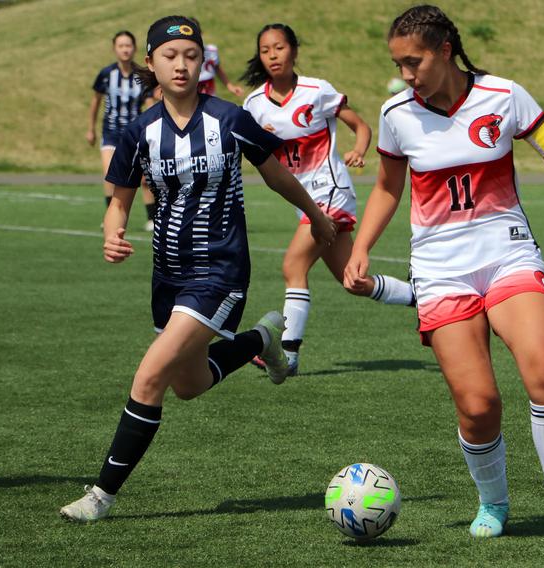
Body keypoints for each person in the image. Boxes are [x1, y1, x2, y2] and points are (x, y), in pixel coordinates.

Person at [59, 16, 336, 523]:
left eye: (191, 55)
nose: (181, 64)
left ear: (202, 61)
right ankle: (261, 341)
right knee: (188, 384)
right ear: (151, 64)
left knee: (149, 378)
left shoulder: (229, 120)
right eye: (170, 56)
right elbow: (118, 200)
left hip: (220, 272)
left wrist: (317, 217)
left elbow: (278, 176)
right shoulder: (137, 132)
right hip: (168, 275)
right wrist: (111, 232)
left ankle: (101, 495)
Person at [343, 5, 544, 541]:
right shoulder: (397, 114)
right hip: (441, 273)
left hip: (509, 256)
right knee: (478, 404)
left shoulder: (504, 96)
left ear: (443, 50)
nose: (405, 74)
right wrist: (362, 246)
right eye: (398, 64)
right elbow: (390, 187)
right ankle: (494, 504)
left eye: (413, 62)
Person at [241, 23, 415, 376]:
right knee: (353, 280)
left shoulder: (316, 91)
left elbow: (361, 126)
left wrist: (358, 149)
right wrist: (263, 139)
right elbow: (252, 153)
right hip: (303, 200)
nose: (273, 55)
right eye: (265, 50)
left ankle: (287, 355)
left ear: (294, 50)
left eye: (279, 47)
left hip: (330, 192)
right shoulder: (253, 105)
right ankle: (422, 296)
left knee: (293, 266)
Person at [87, 31, 158, 231]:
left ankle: (152, 218)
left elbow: (150, 101)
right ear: (114, 49)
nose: (125, 49)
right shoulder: (106, 74)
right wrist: (90, 129)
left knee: (144, 178)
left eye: (128, 45)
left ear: (135, 48)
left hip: (135, 134)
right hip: (110, 133)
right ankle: (110, 217)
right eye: (121, 46)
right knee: (110, 174)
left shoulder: (142, 74)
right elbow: (95, 102)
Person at [191, 18, 244, 98]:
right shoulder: (180, 57)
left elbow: (217, 68)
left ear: (201, 34)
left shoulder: (211, 51)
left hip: (209, 95)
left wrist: (230, 86)